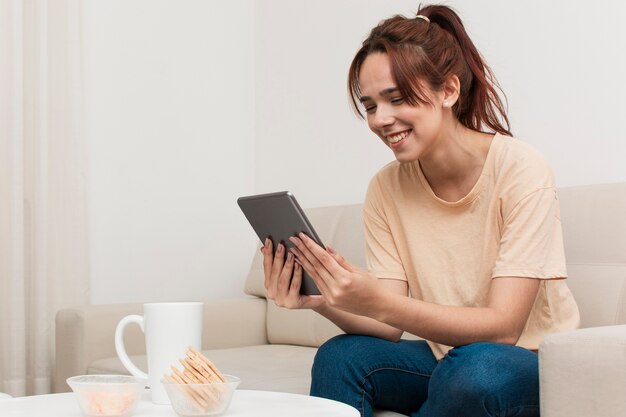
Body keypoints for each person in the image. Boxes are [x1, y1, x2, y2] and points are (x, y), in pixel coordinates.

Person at [260, 4, 579, 417]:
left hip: (524, 361)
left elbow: (504, 328)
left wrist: (377, 301)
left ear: (448, 91)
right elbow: (388, 324)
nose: (381, 119)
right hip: (445, 359)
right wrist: (322, 299)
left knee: (475, 370)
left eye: (396, 99)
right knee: (341, 356)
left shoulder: (521, 168)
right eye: (371, 105)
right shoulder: (386, 187)